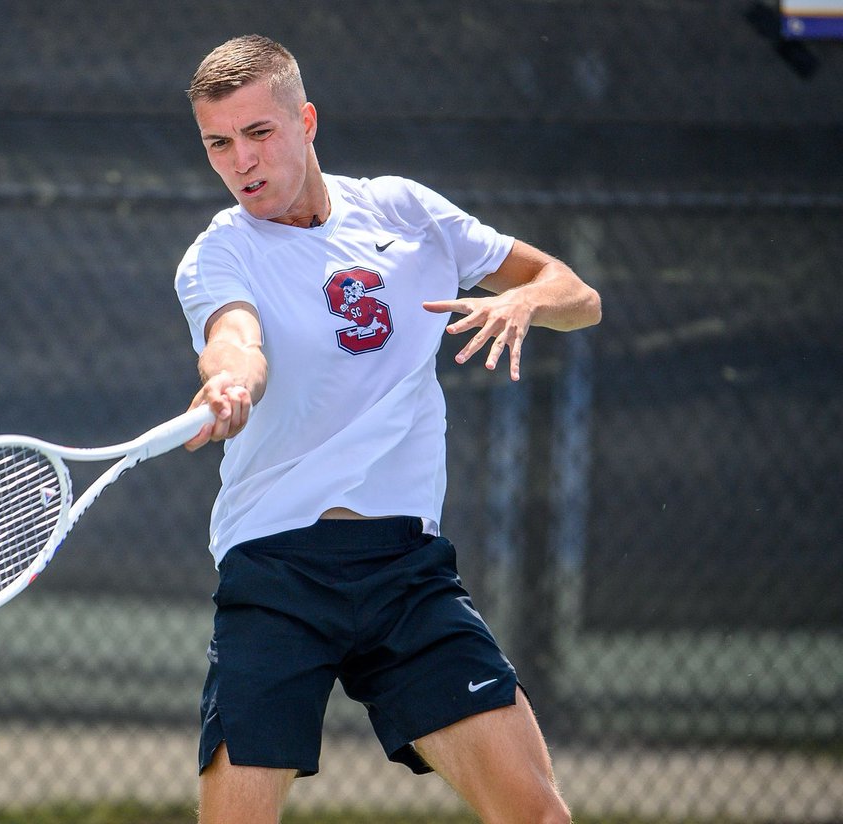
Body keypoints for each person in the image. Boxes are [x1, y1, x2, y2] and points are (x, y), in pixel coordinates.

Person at [173, 34, 601, 824]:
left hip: (405, 572)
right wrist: (230, 378)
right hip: (276, 568)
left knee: (539, 815)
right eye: (219, 143)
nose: (242, 161)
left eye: (258, 133)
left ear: (305, 121)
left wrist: (524, 302)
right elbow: (236, 339)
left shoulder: (408, 211)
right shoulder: (217, 255)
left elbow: (574, 290)